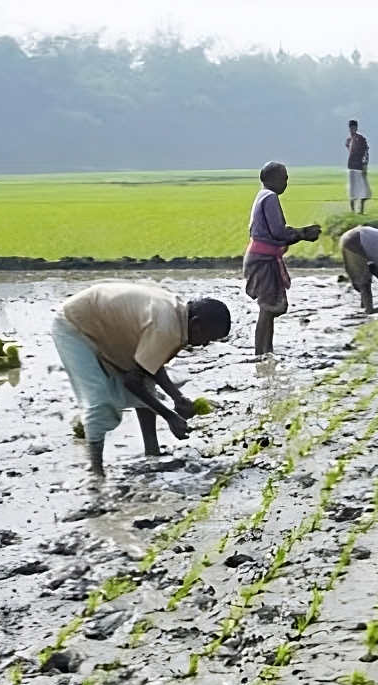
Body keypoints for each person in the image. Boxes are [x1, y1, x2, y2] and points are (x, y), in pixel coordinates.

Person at [51, 283, 231, 475]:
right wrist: (170, 417)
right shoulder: (167, 327)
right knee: (99, 401)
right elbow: (132, 382)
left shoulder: (177, 316)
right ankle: (96, 472)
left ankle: (152, 453)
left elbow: (151, 364)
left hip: (103, 325)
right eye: (206, 337)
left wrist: (177, 398)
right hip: (74, 325)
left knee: (146, 384)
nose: (204, 344)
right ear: (195, 323)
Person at [245, 161, 321, 356]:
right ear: (272, 179)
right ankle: (261, 353)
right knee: (266, 308)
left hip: (260, 256)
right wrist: (303, 234)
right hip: (263, 259)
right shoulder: (269, 197)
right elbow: (278, 232)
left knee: (267, 309)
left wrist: (300, 233)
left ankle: (265, 351)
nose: (286, 181)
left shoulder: (263, 195)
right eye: (284, 177)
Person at [346, 120, 371, 214]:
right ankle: (353, 211)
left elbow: (366, 153)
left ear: (356, 128)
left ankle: (361, 210)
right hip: (351, 166)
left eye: (354, 127)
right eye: (351, 128)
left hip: (359, 167)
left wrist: (365, 166)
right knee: (352, 190)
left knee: (362, 190)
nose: (352, 129)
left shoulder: (361, 139)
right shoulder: (349, 140)